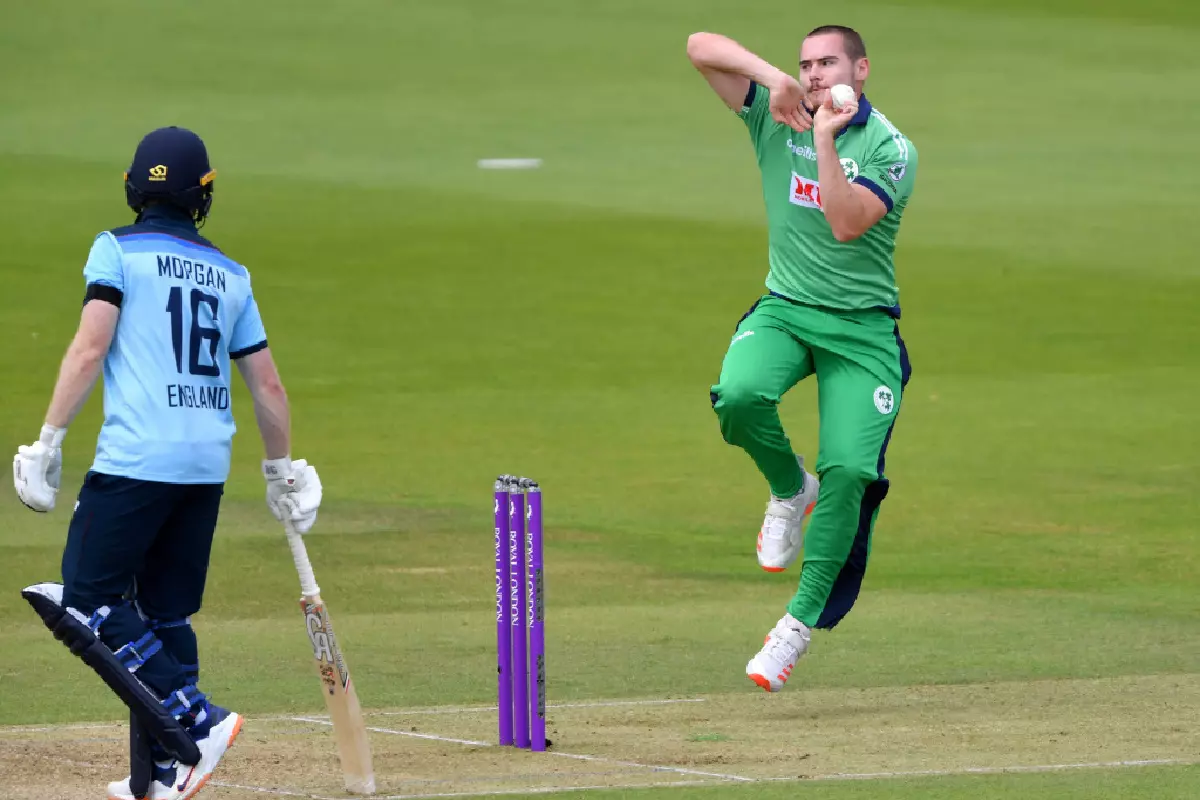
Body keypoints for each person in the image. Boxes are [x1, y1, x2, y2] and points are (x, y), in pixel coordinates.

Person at [12, 126, 324, 799]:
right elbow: (267, 386)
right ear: (200, 197)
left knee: (91, 602)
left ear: (133, 188)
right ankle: (161, 771)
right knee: (163, 616)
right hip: (204, 464)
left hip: (136, 458)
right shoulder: (231, 274)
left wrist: (48, 440)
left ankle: (196, 720)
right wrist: (281, 470)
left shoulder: (116, 249)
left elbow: (89, 349)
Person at [686, 25, 918, 691]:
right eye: (806, 64)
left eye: (828, 63)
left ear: (862, 69)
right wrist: (773, 78)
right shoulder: (775, 110)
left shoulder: (890, 148)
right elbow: (700, 46)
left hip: (862, 332)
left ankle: (796, 626)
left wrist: (821, 136)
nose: (814, 74)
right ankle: (790, 487)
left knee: (849, 469)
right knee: (738, 397)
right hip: (787, 308)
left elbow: (846, 223)